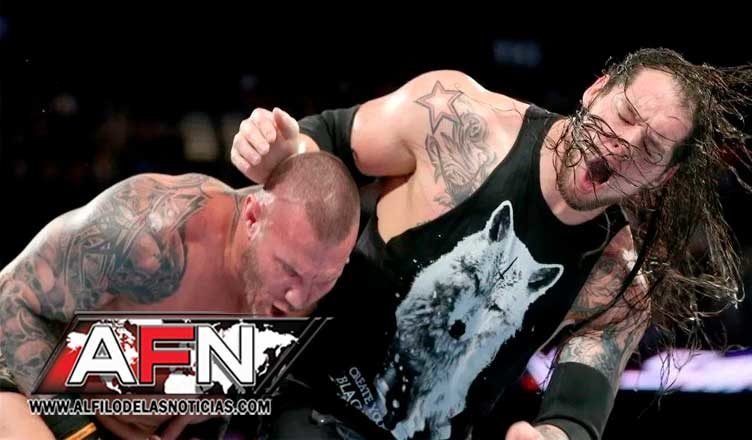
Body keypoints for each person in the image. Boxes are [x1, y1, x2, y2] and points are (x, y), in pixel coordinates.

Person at [230, 48, 752, 440]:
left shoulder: (616, 282)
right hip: (305, 395)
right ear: (596, 91)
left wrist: (550, 438)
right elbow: (329, 139)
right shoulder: (459, 120)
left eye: (652, 148)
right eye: (626, 115)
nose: (624, 146)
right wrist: (282, 152)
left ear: (663, 176)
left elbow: (575, 416)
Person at [0, 152, 360, 440]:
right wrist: (79, 433)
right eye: (289, 270)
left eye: (323, 279)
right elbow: (11, 298)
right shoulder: (155, 232)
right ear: (253, 218)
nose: (299, 297)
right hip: (24, 384)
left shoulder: (310, 287)